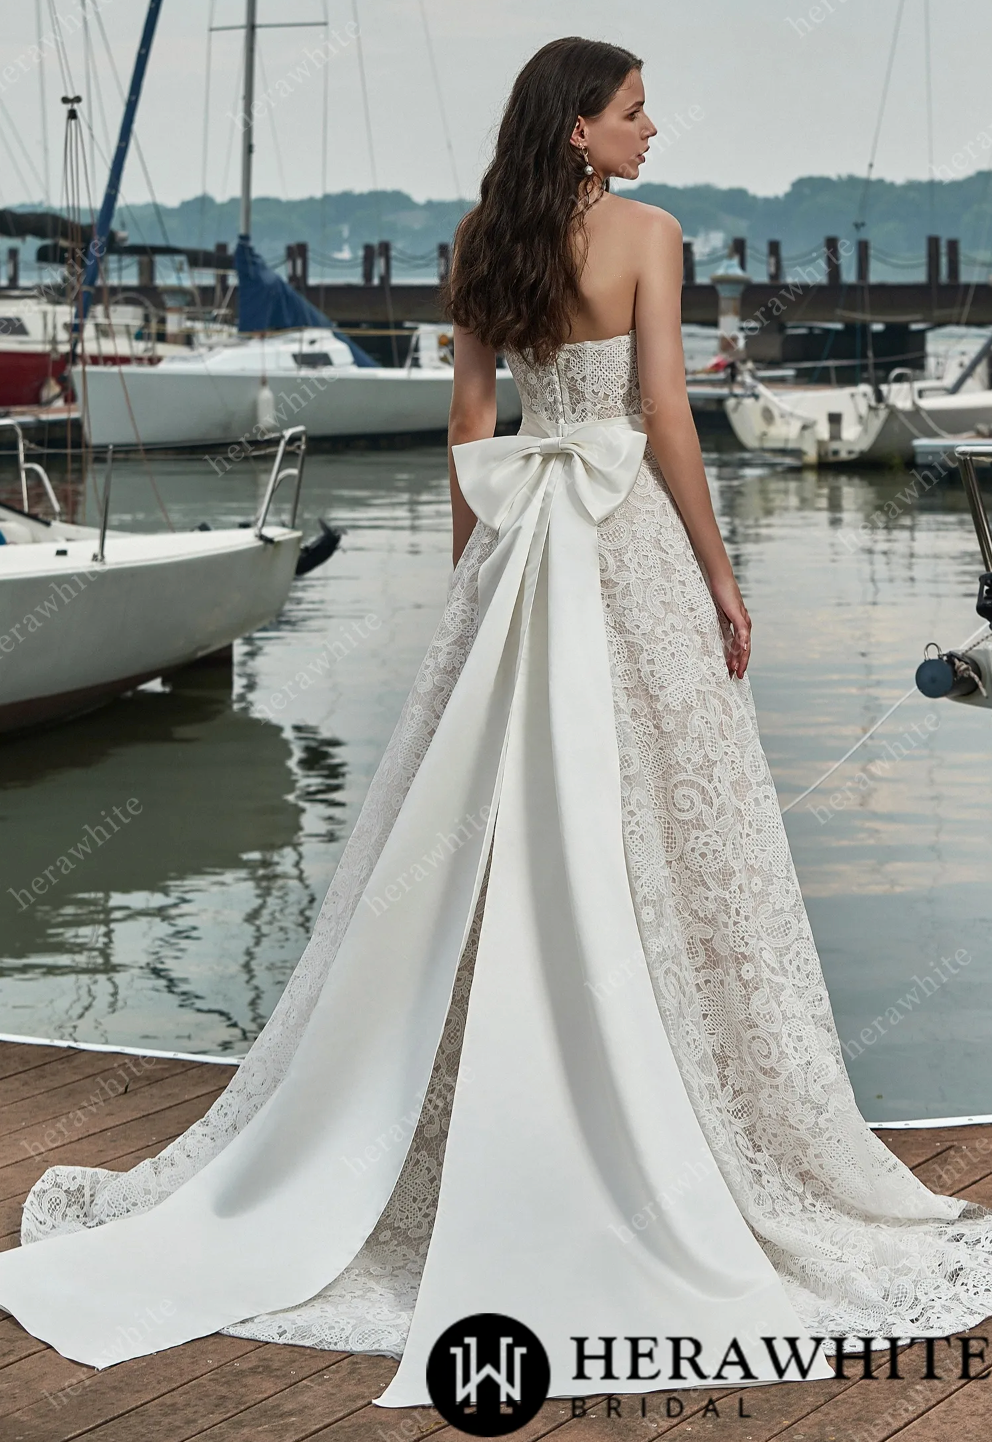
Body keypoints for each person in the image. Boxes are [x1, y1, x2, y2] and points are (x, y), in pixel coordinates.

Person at [2, 35, 992, 1410]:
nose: (656, 130)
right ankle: (656, 1100)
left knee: (485, 827)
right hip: (625, 542)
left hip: (520, 548)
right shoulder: (652, 236)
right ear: (580, 128)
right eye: (636, 111)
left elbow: (475, 425)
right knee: (657, 817)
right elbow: (663, 420)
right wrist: (720, 574)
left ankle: (468, 1105)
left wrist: (475, 582)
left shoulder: (483, 237)